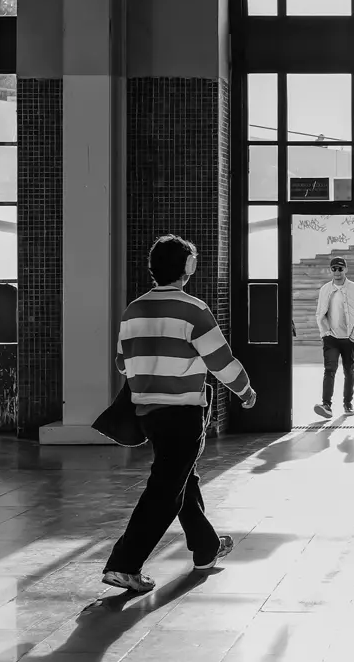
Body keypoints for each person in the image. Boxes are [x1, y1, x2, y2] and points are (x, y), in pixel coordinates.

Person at [102, 234, 257, 595]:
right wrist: (246, 391)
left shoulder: (133, 310)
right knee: (164, 490)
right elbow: (221, 361)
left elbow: (122, 364)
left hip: (148, 414)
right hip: (184, 413)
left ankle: (206, 548)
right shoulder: (193, 309)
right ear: (188, 268)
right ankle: (124, 565)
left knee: (181, 479)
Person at [314, 255, 354, 419]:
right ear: (331, 270)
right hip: (331, 338)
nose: (337, 271)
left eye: (340, 268)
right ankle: (326, 405)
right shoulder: (325, 289)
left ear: (346, 269)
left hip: (349, 339)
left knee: (348, 371)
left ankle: (347, 403)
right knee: (329, 370)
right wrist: (325, 333)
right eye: (334, 269)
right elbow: (319, 314)